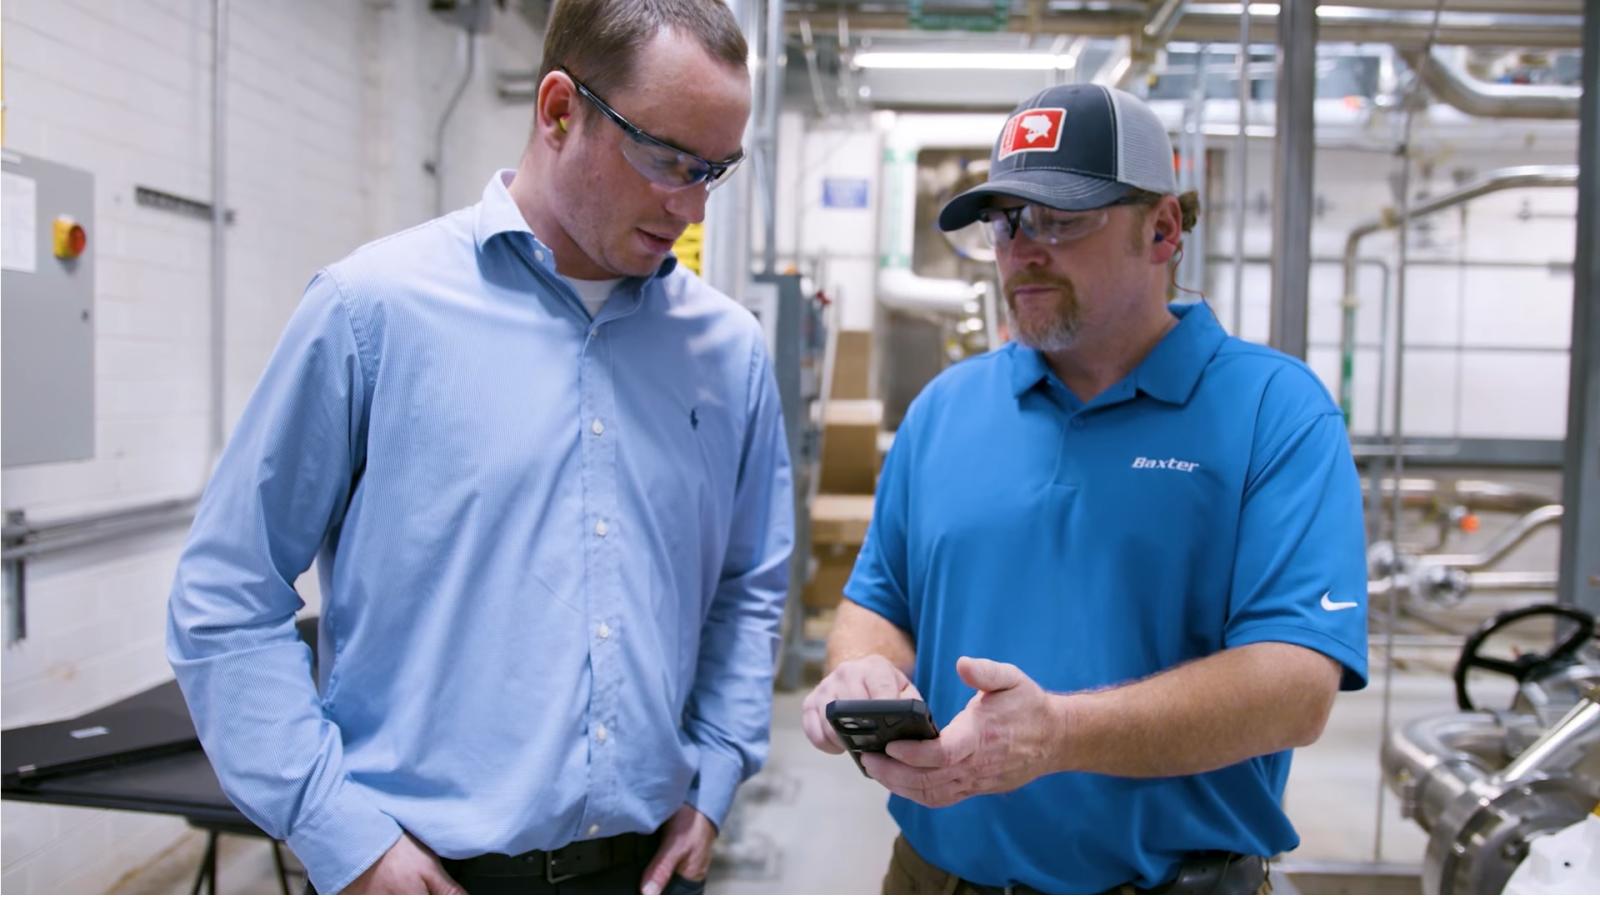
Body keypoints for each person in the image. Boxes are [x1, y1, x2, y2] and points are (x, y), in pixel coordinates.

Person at [167, 0, 793, 893]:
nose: (687, 204)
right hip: (418, 869)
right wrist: (341, 831)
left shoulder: (725, 353)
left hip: (645, 866)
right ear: (557, 111)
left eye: (713, 172)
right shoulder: (372, 313)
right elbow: (224, 599)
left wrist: (721, 769)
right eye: (664, 158)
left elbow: (748, 588)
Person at [801, 83, 1368, 894]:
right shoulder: (945, 411)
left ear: (1162, 229)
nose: (1022, 249)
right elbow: (878, 604)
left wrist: (1059, 733)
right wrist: (863, 672)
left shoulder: (1274, 413)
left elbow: (1294, 688)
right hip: (933, 877)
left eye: (1060, 219)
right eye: (1005, 223)